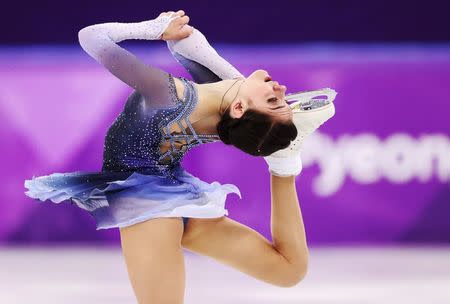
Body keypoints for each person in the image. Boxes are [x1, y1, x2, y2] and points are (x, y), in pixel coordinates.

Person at [24, 10, 336, 303]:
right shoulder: (235, 104)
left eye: (274, 99)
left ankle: (282, 163)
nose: (281, 89)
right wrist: (189, 47)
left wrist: (152, 28)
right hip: (160, 191)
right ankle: (281, 156)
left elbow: (91, 38)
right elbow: (215, 67)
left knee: (289, 269)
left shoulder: (165, 92)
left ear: (241, 110)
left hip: (147, 199)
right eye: (281, 99)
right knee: (287, 271)